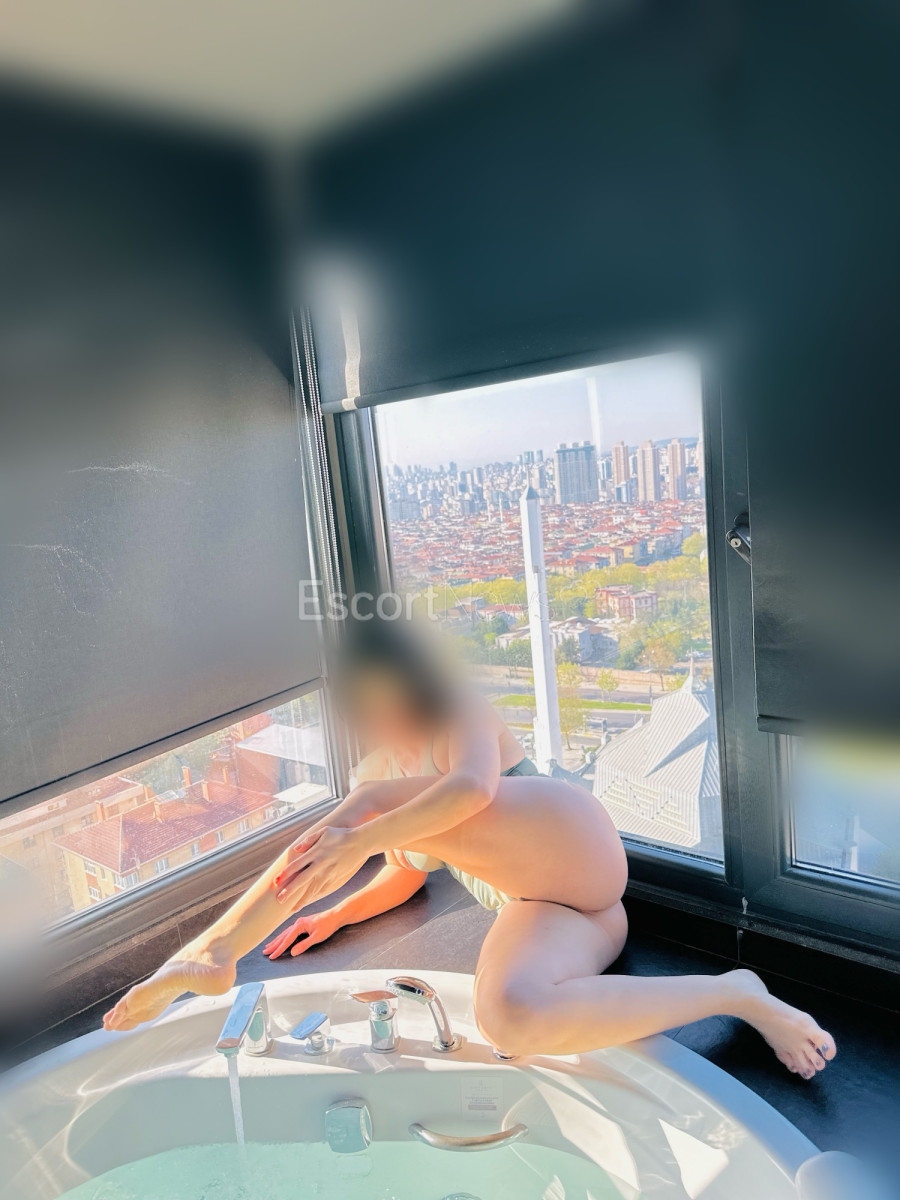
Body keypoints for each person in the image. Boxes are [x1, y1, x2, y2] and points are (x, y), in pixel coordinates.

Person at [104, 617, 836, 1079]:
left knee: (367, 806)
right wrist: (335, 914)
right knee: (508, 1020)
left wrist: (360, 835)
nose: (377, 707)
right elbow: (404, 871)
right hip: (569, 916)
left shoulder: (458, 714)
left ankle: (217, 951)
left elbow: (472, 792)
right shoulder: (378, 773)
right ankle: (735, 993)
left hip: (576, 845)